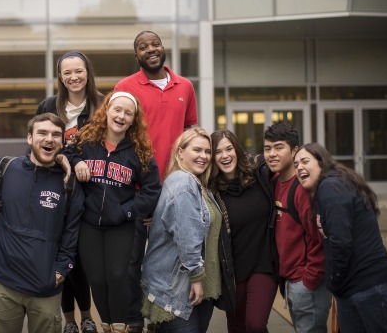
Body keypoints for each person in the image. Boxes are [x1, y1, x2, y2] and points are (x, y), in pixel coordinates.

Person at [115, 30, 198, 333]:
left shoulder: (185, 86)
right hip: (137, 188)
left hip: (176, 188)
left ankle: (161, 316)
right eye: (142, 47)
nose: (150, 49)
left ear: (163, 49)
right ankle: (135, 319)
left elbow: (191, 131)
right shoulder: (125, 87)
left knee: (169, 261)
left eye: (155, 44)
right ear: (136, 55)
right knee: (132, 261)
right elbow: (117, 130)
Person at [65, 91, 161, 333]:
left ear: (133, 120)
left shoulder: (139, 151)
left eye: (128, 113)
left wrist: (126, 211)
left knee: (118, 275)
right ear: (106, 110)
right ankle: (106, 325)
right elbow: (66, 152)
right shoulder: (86, 141)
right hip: (89, 223)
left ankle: (120, 325)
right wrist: (77, 162)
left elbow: (152, 191)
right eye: (117, 110)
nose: (121, 116)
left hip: (121, 224)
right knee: (96, 279)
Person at [0, 113, 83, 333]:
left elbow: (71, 233)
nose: (49, 139)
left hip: (45, 286)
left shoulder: (69, 183)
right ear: (30, 138)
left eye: (56, 135)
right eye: (42, 133)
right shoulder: (5, 169)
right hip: (3, 282)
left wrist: (61, 270)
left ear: (62, 141)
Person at [294, 143, 387, 333]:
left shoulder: (331, 187)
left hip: (370, 287)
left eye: (305, 161)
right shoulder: (328, 187)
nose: (299, 167)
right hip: (350, 289)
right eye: (296, 164)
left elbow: (340, 241)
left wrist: (334, 278)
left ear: (321, 162)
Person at [36, 51, 103, 333]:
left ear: (88, 72)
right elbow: (40, 143)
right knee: (59, 256)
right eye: (67, 73)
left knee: (80, 257)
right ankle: (70, 322)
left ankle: (87, 316)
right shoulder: (49, 105)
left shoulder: (102, 104)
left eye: (78, 71)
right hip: (58, 188)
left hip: (94, 192)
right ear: (60, 77)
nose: (73, 77)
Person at [141, 127, 221, 333]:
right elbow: (188, 238)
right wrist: (196, 277)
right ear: (180, 153)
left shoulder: (196, 184)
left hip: (191, 285)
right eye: (197, 150)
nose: (204, 156)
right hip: (178, 286)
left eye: (207, 151)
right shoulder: (183, 183)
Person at [263, 122, 331, 333]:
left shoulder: (302, 189)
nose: (272, 154)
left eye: (279, 147)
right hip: (290, 281)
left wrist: (308, 280)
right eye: (267, 148)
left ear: (294, 151)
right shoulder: (274, 181)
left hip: (306, 282)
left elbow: (319, 240)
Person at [210, 130, 279, 333]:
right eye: (218, 151)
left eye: (229, 148)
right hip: (233, 271)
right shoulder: (212, 190)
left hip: (264, 264)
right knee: (237, 327)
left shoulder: (260, 172)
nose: (225, 155)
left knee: (255, 325)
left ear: (237, 149)